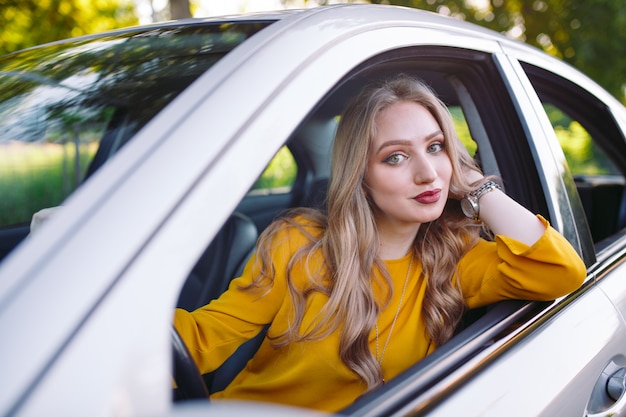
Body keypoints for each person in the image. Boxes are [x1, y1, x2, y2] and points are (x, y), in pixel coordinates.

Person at [173, 75, 586, 412]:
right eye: (396, 157)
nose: (428, 174)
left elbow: (561, 270)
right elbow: (204, 337)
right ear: (361, 176)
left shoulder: (454, 258)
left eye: (435, 147)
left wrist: (476, 186)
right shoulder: (298, 243)